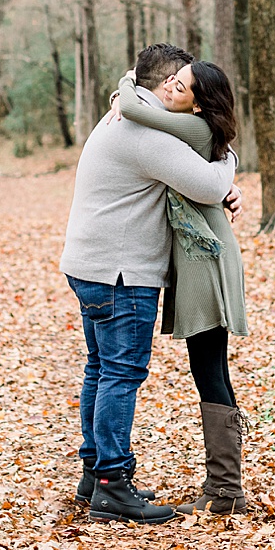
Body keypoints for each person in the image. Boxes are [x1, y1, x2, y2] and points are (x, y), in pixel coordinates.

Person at [58, 43, 242, 525]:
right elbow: (205, 184)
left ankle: (94, 473)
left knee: (100, 369)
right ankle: (112, 485)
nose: (183, 88)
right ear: (162, 87)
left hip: (89, 264)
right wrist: (230, 168)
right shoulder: (144, 131)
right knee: (120, 373)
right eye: (178, 81)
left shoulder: (123, 114)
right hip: (120, 272)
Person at [112, 59, 250, 515]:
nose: (171, 87)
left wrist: (127, 82)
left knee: (209, 369)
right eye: (172, 79)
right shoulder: (198, 133)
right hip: (205, 254)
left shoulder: (191, 128)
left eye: (182, 85)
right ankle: (225, 485)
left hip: (206, 261)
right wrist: (229, 179)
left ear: (199, 103)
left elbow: (135, 108)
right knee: (209, 367)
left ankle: (227, 490)